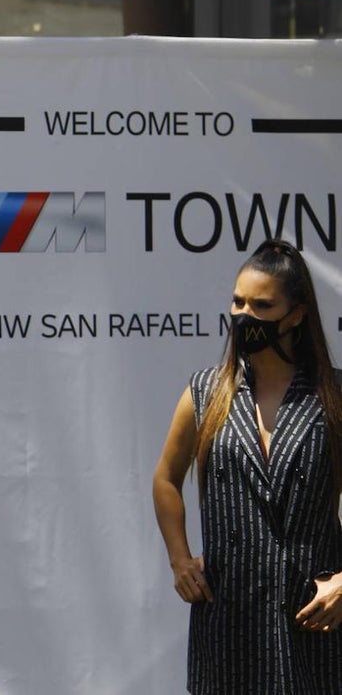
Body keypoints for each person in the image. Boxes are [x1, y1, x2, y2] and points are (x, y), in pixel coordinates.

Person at [152, 238, 342, 694]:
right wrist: (180, 560)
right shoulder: (206, 393)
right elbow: (165, 479)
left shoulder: (333, 395)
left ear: (295, 315)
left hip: (313, 618)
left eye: (262, 305)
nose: (244, 315)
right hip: (229, 625)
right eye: (238, 302)